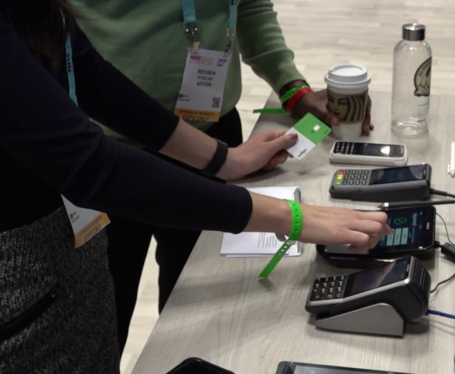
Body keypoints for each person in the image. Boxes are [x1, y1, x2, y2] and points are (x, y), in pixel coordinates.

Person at [0, 2, 388, 372]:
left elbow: (93, 79)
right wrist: (292, 218)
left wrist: (225, 159)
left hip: (69, 260)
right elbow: (92, 168)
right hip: (22, 293)